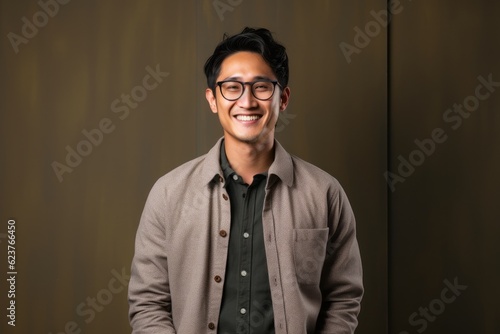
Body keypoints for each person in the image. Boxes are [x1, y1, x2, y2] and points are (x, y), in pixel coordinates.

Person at [128, 27, 363, 334]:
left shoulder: (324, 193)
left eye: (261, 87)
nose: (247, 101)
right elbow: (148, 302)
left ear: (284, 98)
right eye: (232, 88)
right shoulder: (169, 193)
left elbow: (343, 298)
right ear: (213, 99)